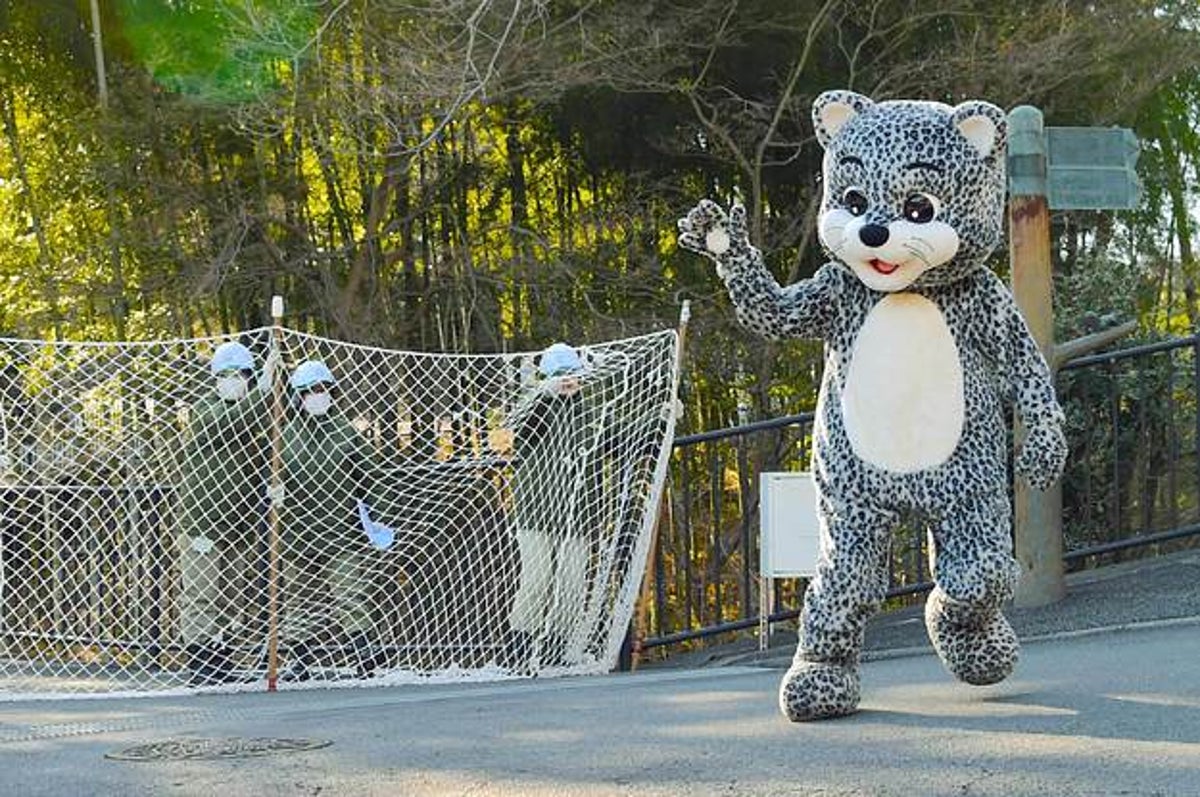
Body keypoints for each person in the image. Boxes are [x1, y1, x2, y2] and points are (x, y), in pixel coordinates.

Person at [278, 360, 388, 681]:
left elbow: (371, 478)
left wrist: (378, 518)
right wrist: (273, 493)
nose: (317, 395)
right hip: (297, 536)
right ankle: (298, 661)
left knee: (350, 595)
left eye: (323, 389)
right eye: (310, 391)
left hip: (341, 533)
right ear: (298, 396)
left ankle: (365, 657)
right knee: (299, 600)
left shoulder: (345, 433)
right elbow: (272, 477)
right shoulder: (285, 438)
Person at [176, 340, 273, 686]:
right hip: (201, 523)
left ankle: (221, 657)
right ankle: (200, 659)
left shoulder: (252, 427)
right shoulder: (205, 411)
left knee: (231, 594)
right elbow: (232, 422)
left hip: (237, 527)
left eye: (242, 374)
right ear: (215, 378)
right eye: (227, 374)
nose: (235, 379)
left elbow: (268, 456)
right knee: (201, 591)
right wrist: (264, 389)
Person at [502, 342, 600, 672]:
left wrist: (658, 419)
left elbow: (614, 434)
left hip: (578, 513)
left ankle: (557, 647)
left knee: (572, 585)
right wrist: (543, 393)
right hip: (535, 512)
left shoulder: (587, 411)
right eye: (560, 375)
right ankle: (519, 647)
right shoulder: (534, 409)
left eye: (572, 375)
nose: (567, 381)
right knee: (537, 579)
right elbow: (517, 428)